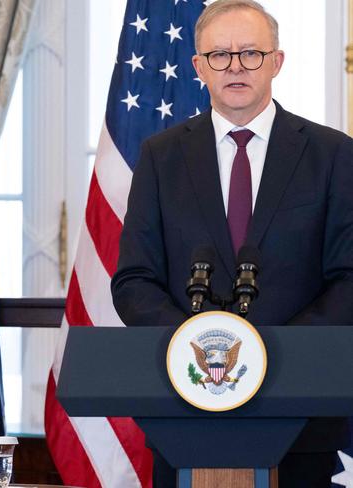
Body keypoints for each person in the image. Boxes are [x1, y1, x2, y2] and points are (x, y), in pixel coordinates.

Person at [111, 1, 353, 487]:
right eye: (220, 55)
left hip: (299, 417)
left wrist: (265, 350)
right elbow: (135, 279)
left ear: (277, 62)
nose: (235, 67)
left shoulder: (333, 154)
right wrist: (197, 346)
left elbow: (348, 278)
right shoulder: (161, 156)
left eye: (250, 53)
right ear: (198, 67)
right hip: (187, 409)